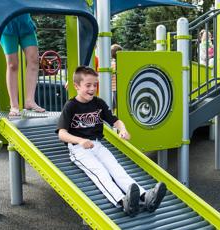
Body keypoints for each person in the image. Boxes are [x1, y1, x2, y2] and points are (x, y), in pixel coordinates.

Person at [56, 66, 167, 217]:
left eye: (95, 85)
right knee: (101, 173)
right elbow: (62, 134)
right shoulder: (70, 106)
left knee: (117, 169)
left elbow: (115, 121)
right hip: (78, 149)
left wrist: (123, 129)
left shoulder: (98, 103)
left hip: (97, 144)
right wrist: (80, 140)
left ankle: (145, 197)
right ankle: (123, 202)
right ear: (76, 86)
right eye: (88, 85)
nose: (92, 88)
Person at [0, 14, 45, 116]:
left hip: (25, 23)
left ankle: (30, 101)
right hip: (7, 24)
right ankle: (14, 105)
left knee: (34, 60)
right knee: (12, 64)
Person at [110, 44, 123, 109]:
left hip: (114, 87)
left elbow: (111, 77)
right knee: (116, 104)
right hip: (118, 87)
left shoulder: (112, 64)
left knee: (116, 105)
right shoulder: (121, 63)